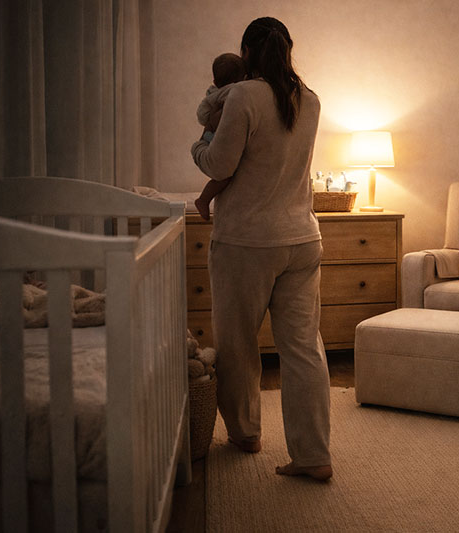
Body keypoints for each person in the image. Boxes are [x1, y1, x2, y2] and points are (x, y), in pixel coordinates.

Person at [190, 17, 332, 481]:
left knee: (236, 343)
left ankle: (246, 433)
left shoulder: (243, 96)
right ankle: (313, 457)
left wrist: (198, 147)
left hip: (247, 242)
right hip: (302, 239)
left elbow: (219, 162)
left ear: (246, 52)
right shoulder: (308, 100)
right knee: (304, 349)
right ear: (288, 49)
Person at [193, 52, 247, 220]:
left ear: (215, 81)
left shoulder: (213, 93)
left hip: (210, 137)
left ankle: (203, 199)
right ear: (243, 78)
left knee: (225, 174)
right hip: (216, 139)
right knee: (226, 175)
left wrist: (209, 119)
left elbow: (202, 115)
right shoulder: (235, 91)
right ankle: (203, 199)